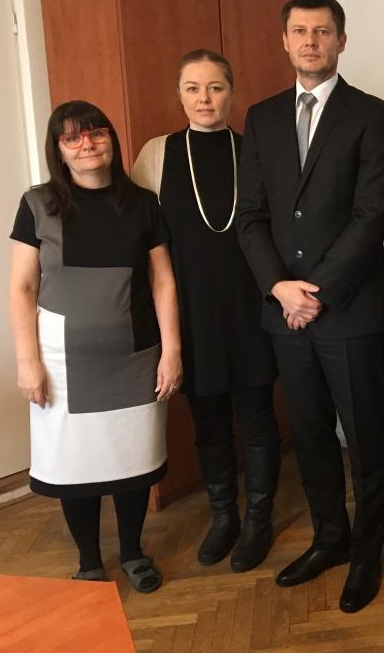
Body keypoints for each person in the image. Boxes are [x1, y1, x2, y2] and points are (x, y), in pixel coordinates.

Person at [235, 0, 384, 612]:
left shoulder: (372, 114)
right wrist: (280, 287)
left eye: (323, 31)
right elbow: (252, 215)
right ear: (284, 40)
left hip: (349, 312)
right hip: (285, 314)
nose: (310, 41)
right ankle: (330, 537)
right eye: (300, 31)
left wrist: (317, 293)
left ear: (341, 41)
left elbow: (371, 215)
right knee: (309, 435)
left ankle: (367, 555)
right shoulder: (261, 117)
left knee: (365, 439)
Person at [8, 100, 182, 593]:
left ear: (111, 138)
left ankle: (132, 553)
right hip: (62, 362)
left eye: (96, 132)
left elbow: (163, 281)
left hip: (135, 355)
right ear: (58, 149)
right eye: (73, 138)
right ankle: (88, 561)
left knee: (133, 463)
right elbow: (22, 287)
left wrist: (172, 352)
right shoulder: (37, 204)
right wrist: (28, 362)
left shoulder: (143, 203)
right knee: (73, 465)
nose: (87, 144)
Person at [132, 49, 279, 573]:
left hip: (251, 311)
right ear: (179, 94)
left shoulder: (255, 150)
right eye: (192, 88)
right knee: (210, 423)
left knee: (257, 420)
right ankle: (224, 516)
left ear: (231, 93)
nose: (204, 98)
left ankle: (258, 518)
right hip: (190, 314)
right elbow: (139, 240)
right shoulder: (157, 155)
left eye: (215, 87)